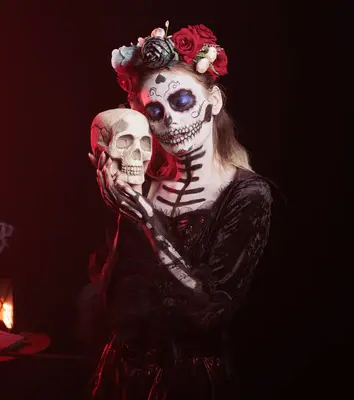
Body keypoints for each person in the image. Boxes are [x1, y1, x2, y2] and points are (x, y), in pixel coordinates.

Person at [87, 21, 274, 399]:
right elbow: (116, 307)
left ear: (213, 102)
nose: (169, 120)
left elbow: (210, 311)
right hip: (121, 379)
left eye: (182, 101)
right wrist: (127, 212)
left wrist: (146, 221)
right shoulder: (145, 183)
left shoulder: (248, 194)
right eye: (153, 111)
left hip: (190, 383)